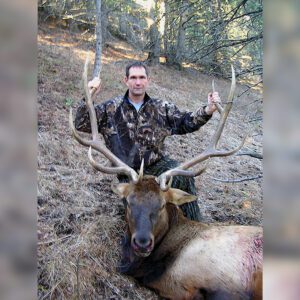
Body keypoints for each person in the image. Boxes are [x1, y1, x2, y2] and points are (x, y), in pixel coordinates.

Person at [75, 61, 221, 221]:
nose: (138, 82)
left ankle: (194, 223)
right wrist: (88, 96)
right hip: (128, 173)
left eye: (142, 77)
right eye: (133, 77)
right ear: (126, 80)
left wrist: (207, 110)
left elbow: (186, 122)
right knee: (141, 212)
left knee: (184, 176)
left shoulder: (161, 107)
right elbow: (81, 124)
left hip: (158, 167)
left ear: (148, 80)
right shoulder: (111, 109)